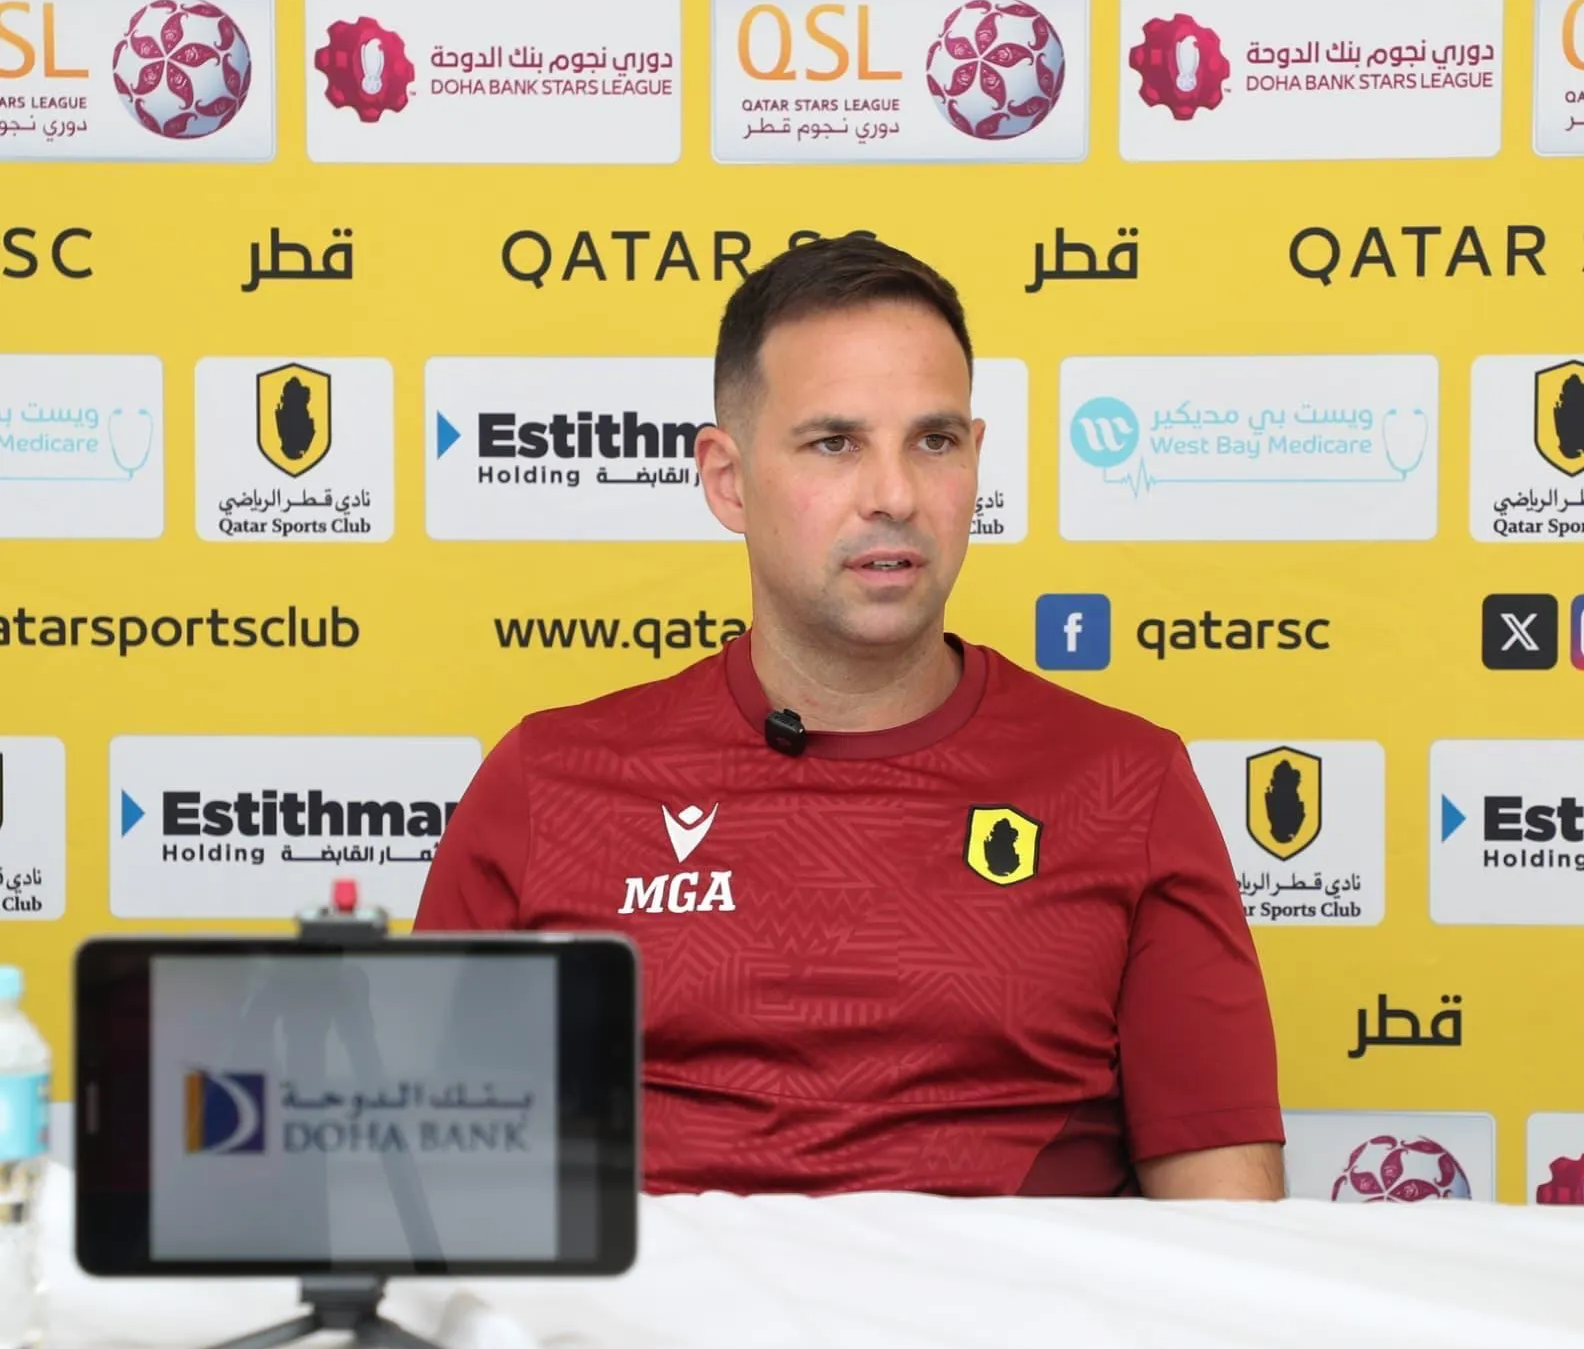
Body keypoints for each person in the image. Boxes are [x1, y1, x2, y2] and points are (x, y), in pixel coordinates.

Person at [414, 235, 1286, 1200]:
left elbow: (1229, 1225)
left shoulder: (1126, 783)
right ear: (727, 479)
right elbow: (425, 1192)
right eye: (835, 444)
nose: (895, 496)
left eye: (934, 442)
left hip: (1010, 1301)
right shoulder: (550, 783)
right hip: (663, 1301)